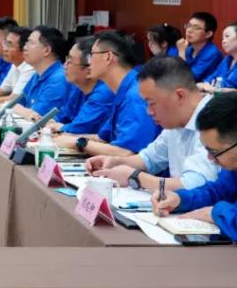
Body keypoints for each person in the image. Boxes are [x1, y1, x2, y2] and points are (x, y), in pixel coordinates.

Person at [153, 92, 237, 252]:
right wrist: (180, 199)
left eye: (215, 152)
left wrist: (217, 213)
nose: (210, 159)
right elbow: (218, 192)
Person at [85, 56, 218, 191]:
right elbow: (149, 159)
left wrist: (136, 177)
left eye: (152, 103)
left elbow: (194, 185)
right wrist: (116, 162)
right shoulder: (176, 121)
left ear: (179, 96)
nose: (149, 111)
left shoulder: (216, 121)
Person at [57, 31, 160, 157]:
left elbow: (126, 152)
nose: (88, 62)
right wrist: (62, 137)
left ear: (108, 57)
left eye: (91, 55)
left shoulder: (136, 95)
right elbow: (102, 138)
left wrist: (76, 142)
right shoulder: (121, 90)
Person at [49, 37, 114, 136]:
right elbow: (62, 115)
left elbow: (78, 129)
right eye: (66, 59)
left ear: (89, 69)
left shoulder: (104, 93)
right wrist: (52, 122)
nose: (64, 66)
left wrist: (59, 127)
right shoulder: (80, 87)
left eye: (70, 61)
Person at [13, 26, 70, 118]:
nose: (24, 47)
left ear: (47, 50)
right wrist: (19, 109)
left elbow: (35, 116)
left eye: (30, 43)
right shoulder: (36, 75)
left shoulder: (59, 79)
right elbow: (16, 103)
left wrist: (19, 109)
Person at [0, 26, 36, 104]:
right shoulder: (15, 65)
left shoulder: (30, 68)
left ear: (24, 49)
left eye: (9, 45)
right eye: (5, 43)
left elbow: (14, 99)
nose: (4, 49)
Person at [176, 11, 223, 82]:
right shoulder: (189, 49)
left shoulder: (212, 53)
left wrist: (182, 53)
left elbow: (189, 78)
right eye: (188, 26)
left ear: (208, 34)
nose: (189, 30)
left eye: (196, 28)